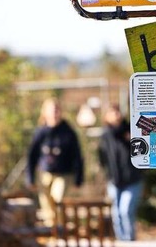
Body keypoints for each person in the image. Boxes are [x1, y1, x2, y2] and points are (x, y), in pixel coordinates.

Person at [26, 98, 84, 229]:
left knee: (58, 199)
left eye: (56, 110)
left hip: (63, 173)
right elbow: (32, 156)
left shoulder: (68, 131)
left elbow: (77, 155)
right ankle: (51, 230)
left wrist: (79, 178)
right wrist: (30, 177)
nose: (54, 113)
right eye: (51, 110)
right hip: (44, 173)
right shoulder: (41, 132)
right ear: (45, 112)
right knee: (46, 204)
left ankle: (59, 228)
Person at [98, 104, 143, 241]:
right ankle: (121, 240)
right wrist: (108, 175)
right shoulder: (105, 135)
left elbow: (142, 151)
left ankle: (130, 240)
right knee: (116, 213)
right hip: (114, 181)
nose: (116, 115)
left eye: (117, 112)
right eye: (112, 112)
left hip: (133, 179)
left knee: (125, 211)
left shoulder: (131, 130)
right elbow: (102, 157)